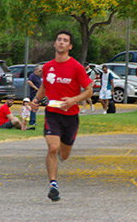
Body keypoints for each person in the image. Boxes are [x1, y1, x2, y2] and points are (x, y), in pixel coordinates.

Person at [31, 29, 92, 201]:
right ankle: (53, 184)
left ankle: (59, 156)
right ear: (54, 43)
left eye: (65, 40)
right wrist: (36, 99)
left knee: (63, 155)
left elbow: (88, 91)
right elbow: (44, 86)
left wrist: (73, 100)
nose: (61, 42)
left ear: (70, 46)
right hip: (52, 114)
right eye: (59, 39)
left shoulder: (77, 67)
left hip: (71, 117)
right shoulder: (48, 67)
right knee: (53, 148)